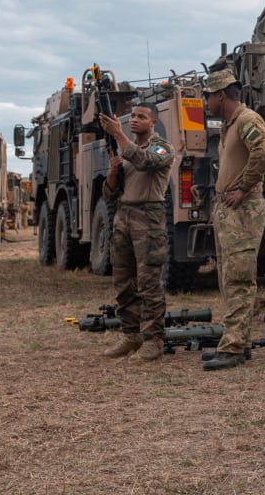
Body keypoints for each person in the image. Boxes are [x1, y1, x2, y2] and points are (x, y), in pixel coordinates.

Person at [202, 67, 265, 371]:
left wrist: (244, 187)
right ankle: (238, 342)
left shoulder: (247, 119)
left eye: (208, 95)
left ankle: (231, 347)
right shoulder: (230, 124)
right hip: (230, 211)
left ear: (221, 95)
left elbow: (264, 152)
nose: (205, 101)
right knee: (229, 279)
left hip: (244, 211)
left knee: (239, 279)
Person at [98, 103, 175, 361]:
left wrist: (119, 134)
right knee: (123, 281)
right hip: (124, 216)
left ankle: (154, 340)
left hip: (148, 219)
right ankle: (132, 335)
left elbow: (146, 162)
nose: (135, 120)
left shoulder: (162, 147)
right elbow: (109, 194)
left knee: (149, 282)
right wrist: (112, 172)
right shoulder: (126, 151)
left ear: (153, 122)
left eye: (142, 117)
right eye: (132, 116)